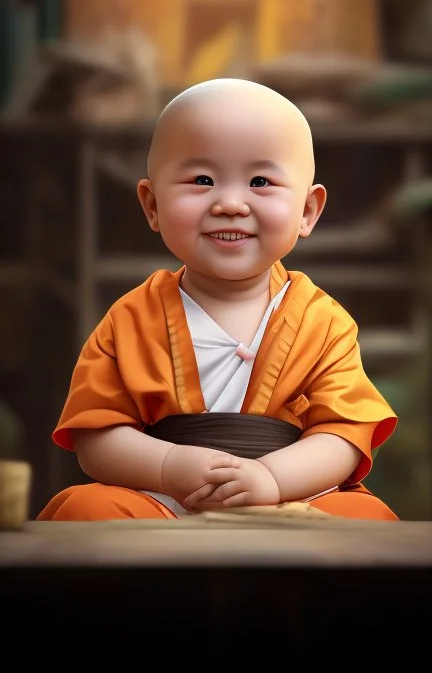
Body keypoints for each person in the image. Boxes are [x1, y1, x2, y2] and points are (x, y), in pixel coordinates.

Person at [37, 78, 399, 522]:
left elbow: (344, 434)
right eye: (202, 180)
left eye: (260, 181)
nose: (230, 203)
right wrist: (169, 467)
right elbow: (97, 435)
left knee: (365, 517)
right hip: (160, 501)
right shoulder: (130, 318)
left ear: (307, 211)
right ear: (152, 205)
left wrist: (271, 477)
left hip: (294, 502)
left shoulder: (323, 322)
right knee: (85, 509)